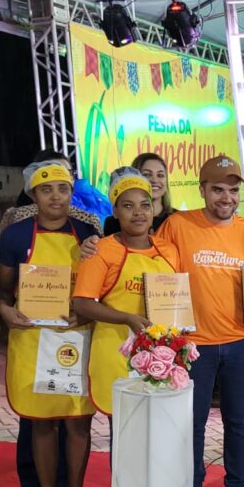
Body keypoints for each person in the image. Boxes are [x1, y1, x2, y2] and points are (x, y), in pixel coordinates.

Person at [152, 156, 244, 487]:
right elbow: (153, 268)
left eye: (233, 191)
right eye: (218, 189)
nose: (226, 197)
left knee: (237, 422)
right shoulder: (177, 226)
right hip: (193, 344)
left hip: (240, 341)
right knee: (192, 423)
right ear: (202, 190)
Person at [0, 162, 104, 487]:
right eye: (46, 190)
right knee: (42, 423)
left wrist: (85, 312)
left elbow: (99, 287)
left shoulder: (88, 233)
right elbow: (3, 292)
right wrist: (6, 312)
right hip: (34, 339)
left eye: (63, 189)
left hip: (76, 337)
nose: (56, 197)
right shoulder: (16, 236)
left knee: (78, 421)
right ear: (33, 195)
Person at [73, 169, 180, 425]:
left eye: (145, 205)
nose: (138, 212)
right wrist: (127, 318)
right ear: (115, 211)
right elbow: (82, 303)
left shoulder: (169, 250)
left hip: (160, 354)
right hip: (115, 351)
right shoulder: (100, 250)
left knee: (156, 427)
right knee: (124, 427)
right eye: (128, 206)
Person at [103, 152, 175, 236]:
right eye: (147, 174)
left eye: (160, 175)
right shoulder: (113, 223)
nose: (155, 180)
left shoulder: (178, 219)